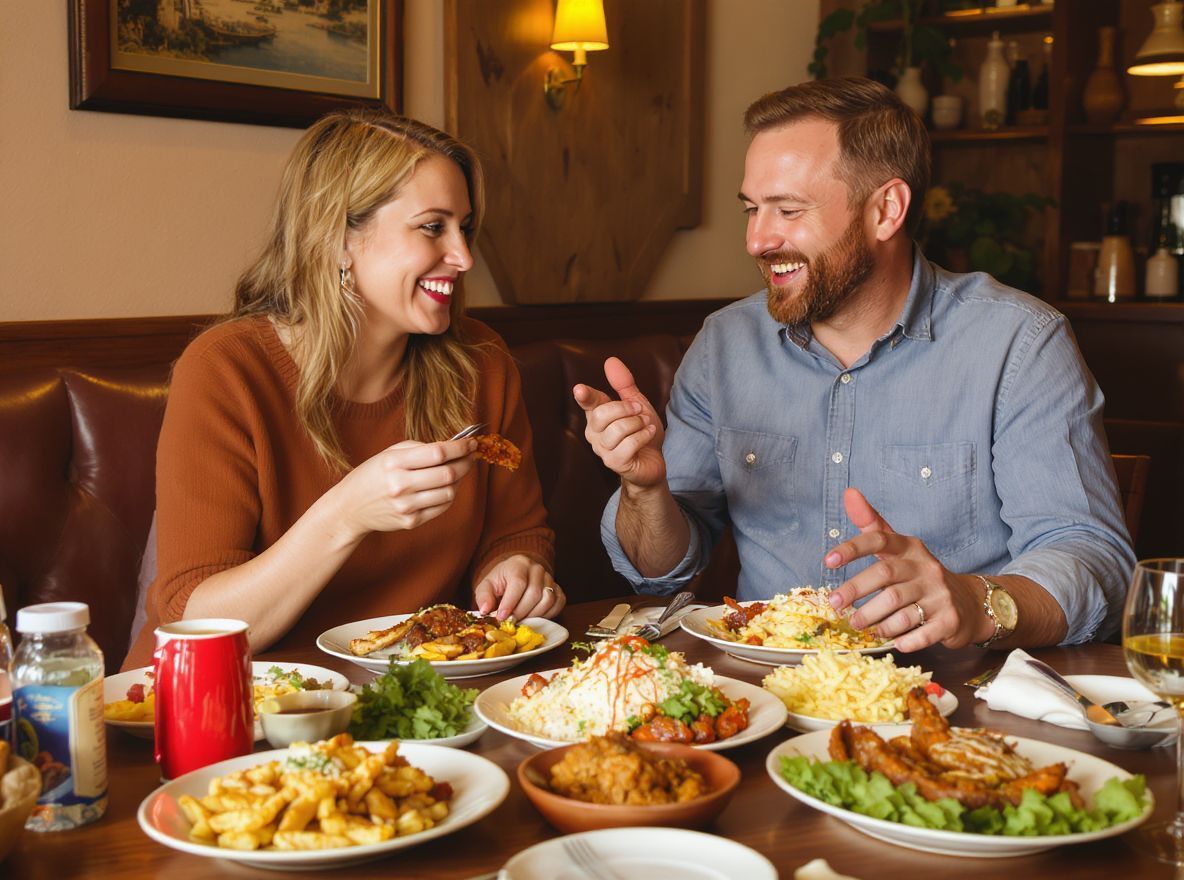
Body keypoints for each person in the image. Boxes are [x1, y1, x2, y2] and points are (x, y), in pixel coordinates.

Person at [574, 77, 1133, 652]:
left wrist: (978, 601)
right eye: (752, 210)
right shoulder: (724, 345)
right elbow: (660, 570)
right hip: (764, 699)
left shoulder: (1018, 342)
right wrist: (644, 491)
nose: (756, 241)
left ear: (886, 209)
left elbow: (1092, 557)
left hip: (950, 696)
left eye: (788, 210)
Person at [125, 110, 560, 669]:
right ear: (335, 238)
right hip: (226, 708)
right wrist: (347, 514)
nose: (464, 257)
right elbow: (195, 622)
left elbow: (518, 532)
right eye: (433, 227)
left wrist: (516, 569)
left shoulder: (482, 363)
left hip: (408, 701)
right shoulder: (225, 370)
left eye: (465, 227)